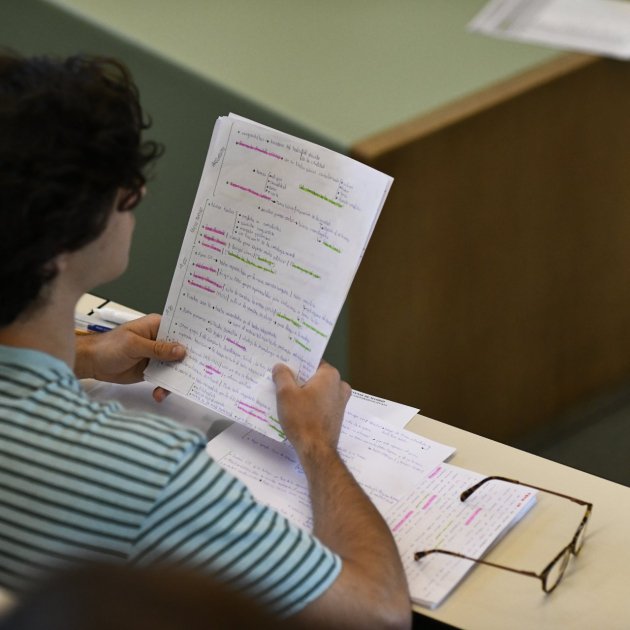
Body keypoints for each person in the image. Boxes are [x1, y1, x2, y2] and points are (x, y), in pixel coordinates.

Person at [0, 51, 411, 628]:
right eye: (118, 189)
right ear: (60, 248)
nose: (137, 194)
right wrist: (317, 444)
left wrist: (87, 353)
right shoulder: (146, 474)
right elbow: (377, 613)